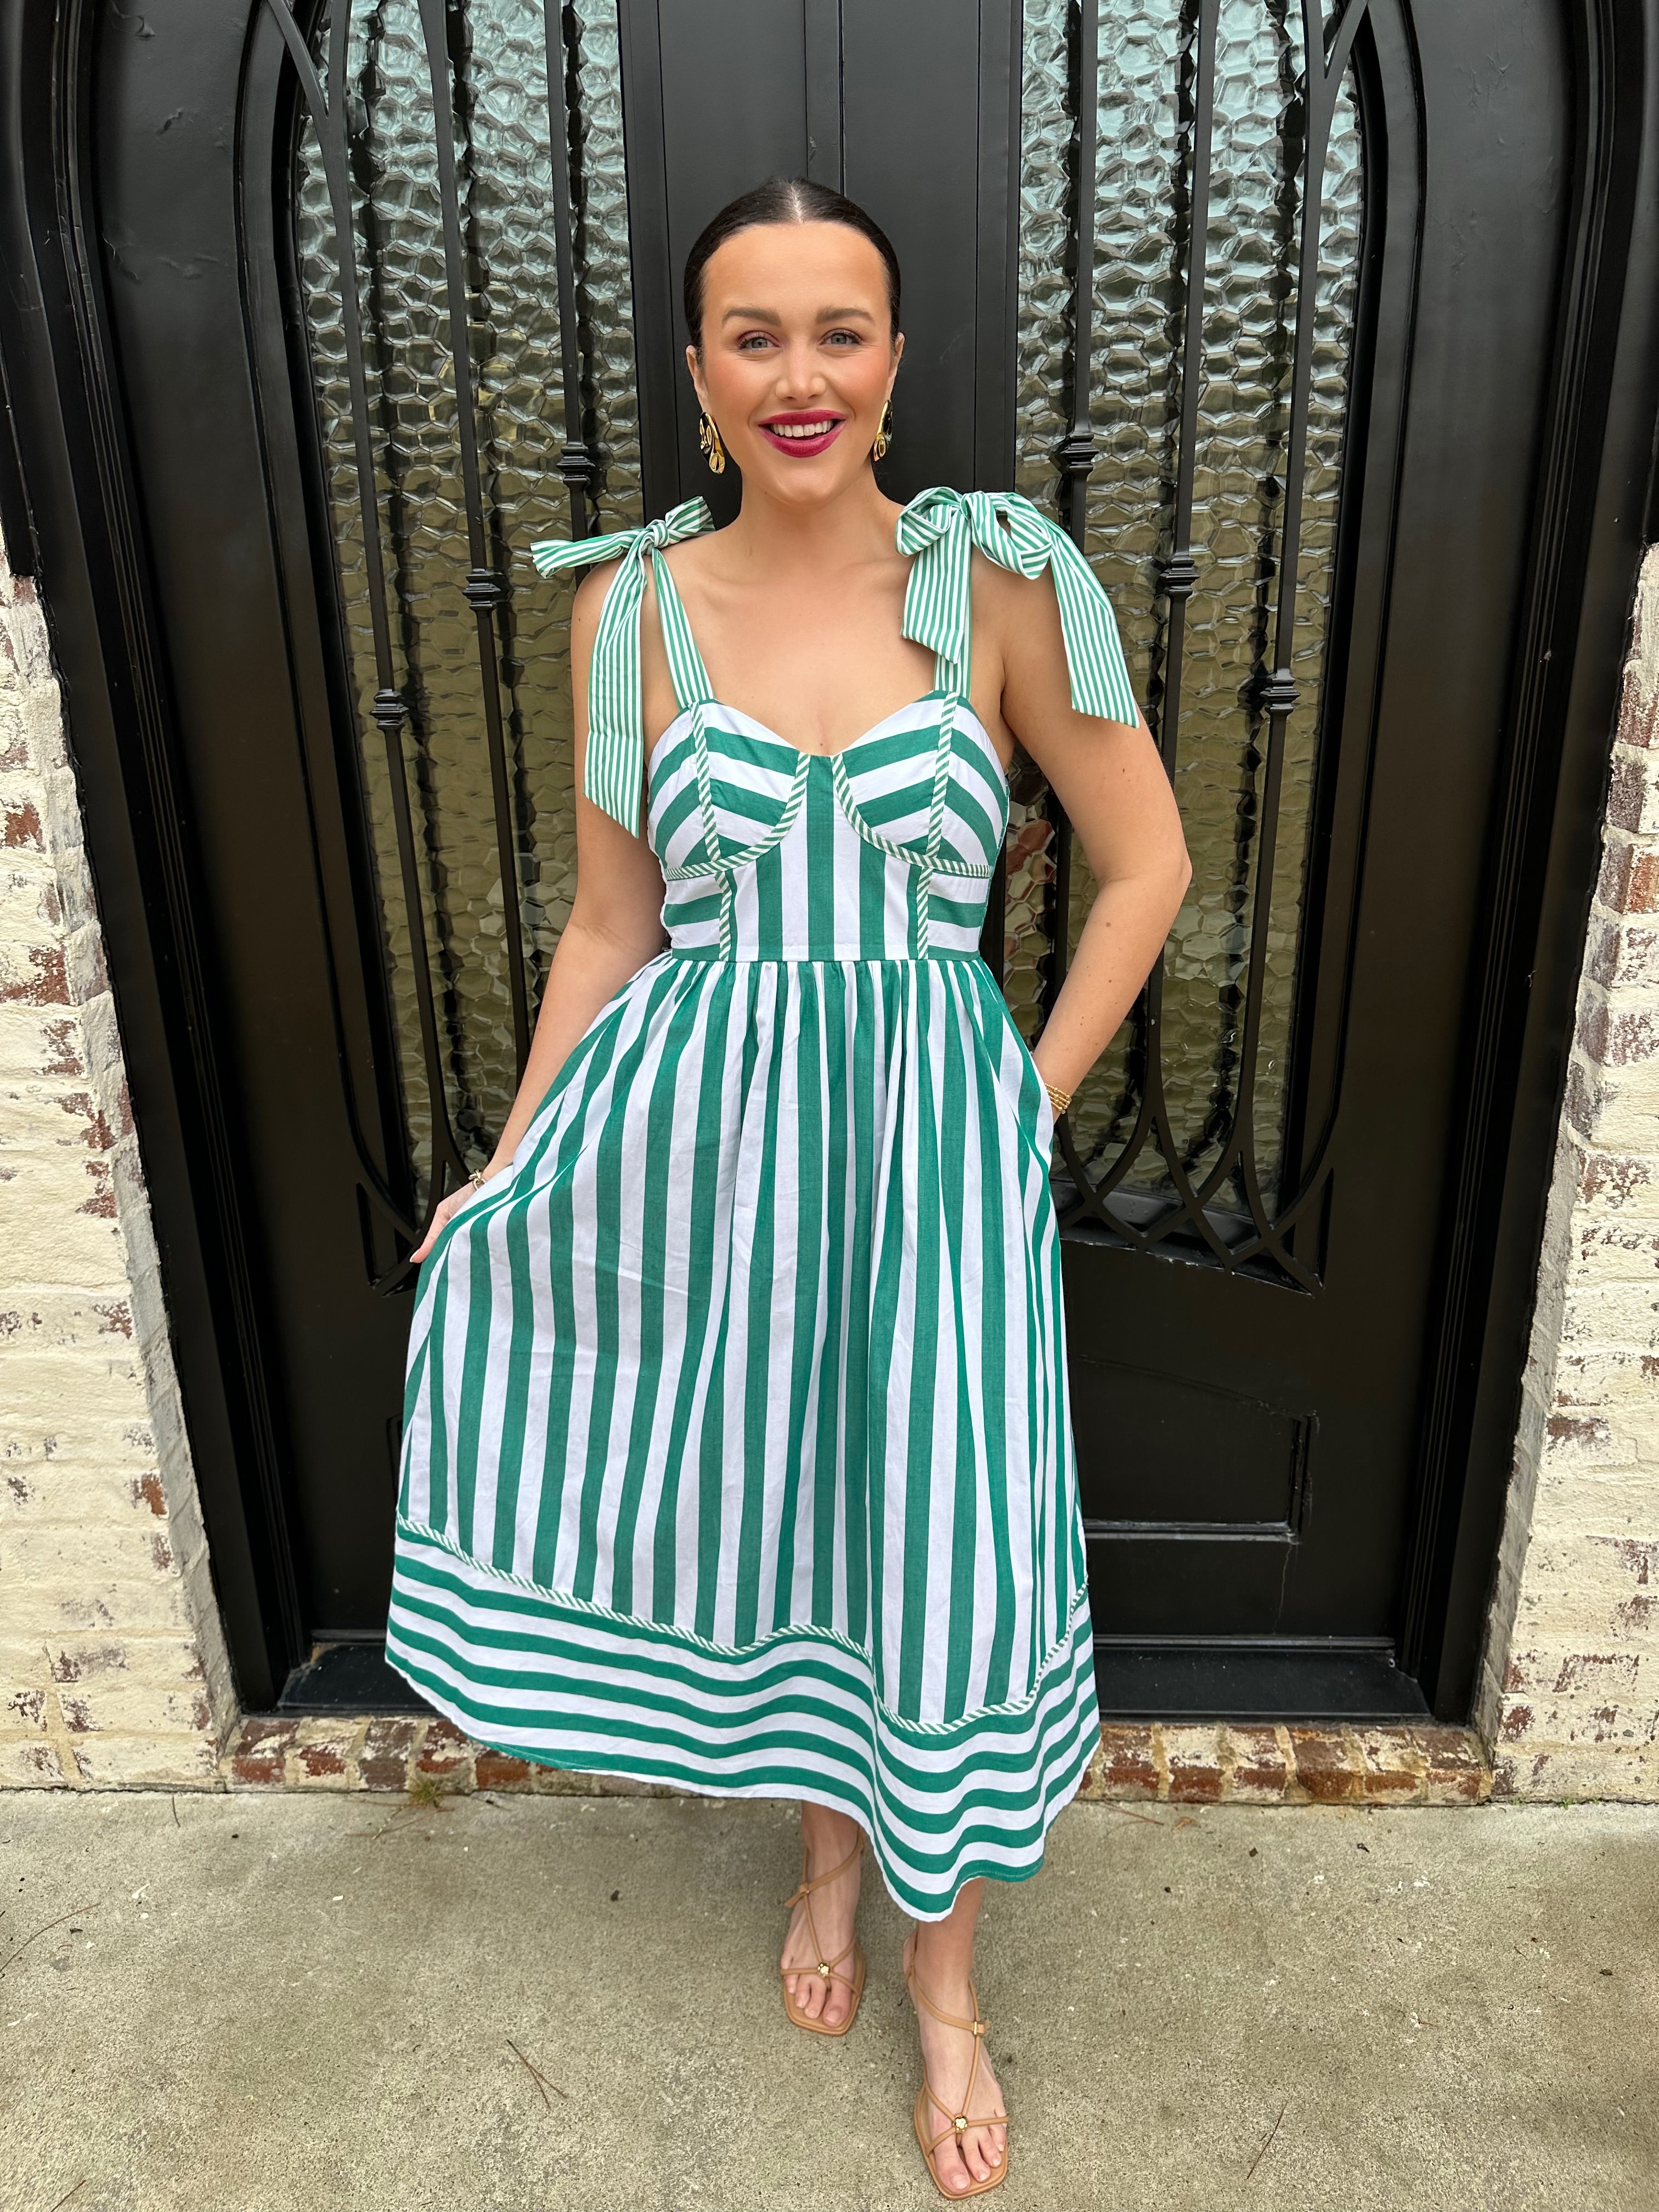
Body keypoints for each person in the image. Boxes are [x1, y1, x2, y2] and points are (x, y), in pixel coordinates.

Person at [390, 177, 1189, 2199]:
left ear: (897, 361)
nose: (801, 374)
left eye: (841, 331)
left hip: (936, 1158)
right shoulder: (630, 612)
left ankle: (949, 1981)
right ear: (699, 371)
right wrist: (510, 1166)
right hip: (712, 1152)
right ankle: (822, 1864)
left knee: (942, 1548)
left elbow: (1147, 863)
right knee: (796, 1528)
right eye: (756, 336)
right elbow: (609, 927)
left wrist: (1023, 1101)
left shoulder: (1001, 583)